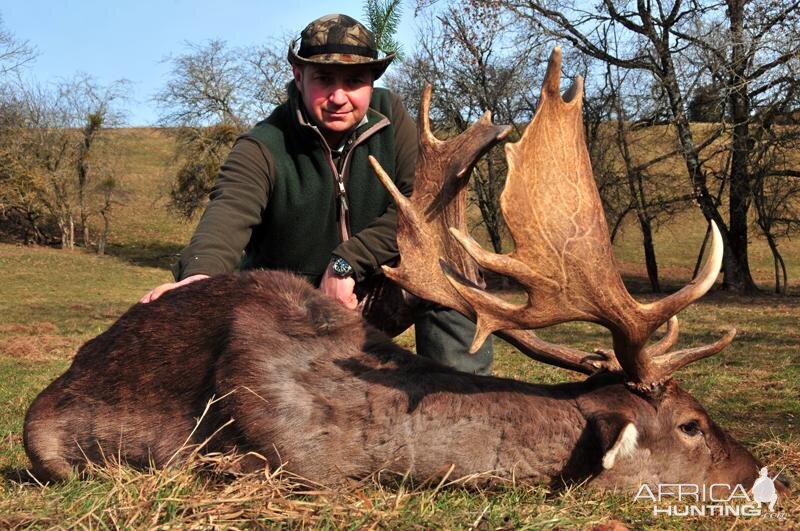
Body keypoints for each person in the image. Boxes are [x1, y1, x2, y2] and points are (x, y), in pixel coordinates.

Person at [141, 14, 492, 374]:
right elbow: (228, 212)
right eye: (323, 79)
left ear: (372, 81)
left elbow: (418, 207)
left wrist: (347, 263)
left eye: (354, 81)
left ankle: (460, 396)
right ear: (299, 76)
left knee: (453, 267)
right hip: (291, 315)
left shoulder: (392, 117)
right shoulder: (262, 145)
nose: (339, 97)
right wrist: (199, 278)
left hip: (364, 297)